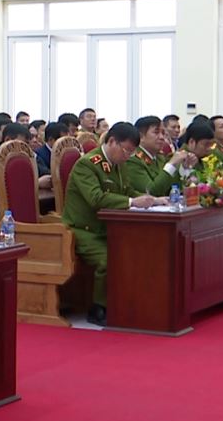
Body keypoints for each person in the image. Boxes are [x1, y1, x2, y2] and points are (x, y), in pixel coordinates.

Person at [60, 122, 163, 326]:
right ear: (112, 141)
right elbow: (96, 198)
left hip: (109, 228)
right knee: (109, 259)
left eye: (131, 152)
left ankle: (128, 302)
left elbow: (127, 191)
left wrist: (152, 200)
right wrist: (132, 202)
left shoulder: (118, 164)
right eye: (126, 151)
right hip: (83, 230)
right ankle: (99, 308)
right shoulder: (87, 165)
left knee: (139, 251)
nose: (128, 156)